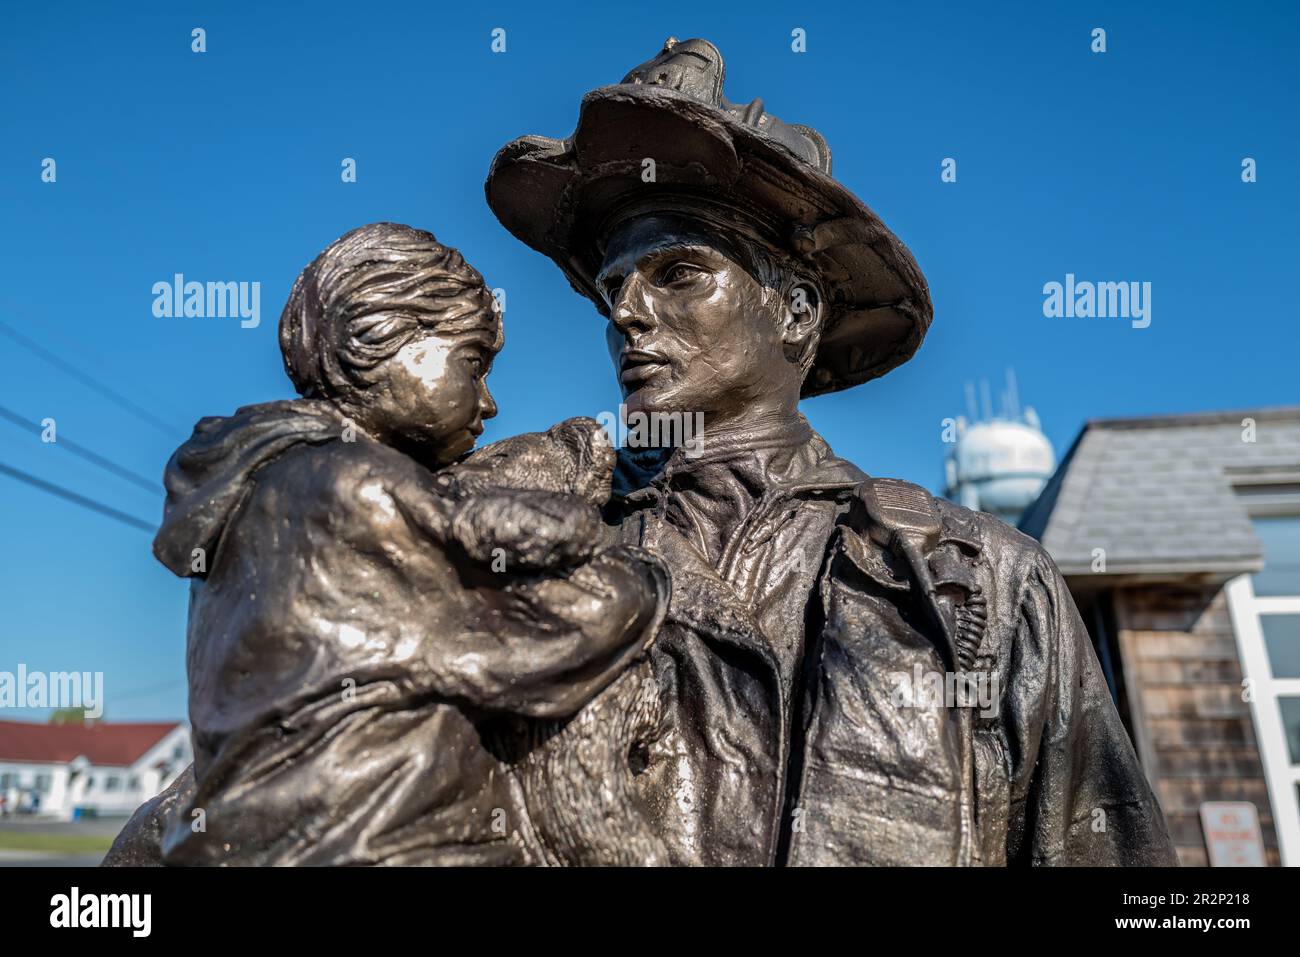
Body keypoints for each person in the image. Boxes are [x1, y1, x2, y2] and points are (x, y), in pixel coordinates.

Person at [485, 37, 1178, 865]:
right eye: (612, 289)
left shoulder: (983, 583)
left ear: (796, 312)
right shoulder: (537, 559)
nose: (627, 312)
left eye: (677, 273)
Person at [105, 222, 666, 865]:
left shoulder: (259, 486)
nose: (489, 404)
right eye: (473, 365)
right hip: (381, 843)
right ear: (378, 337)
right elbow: (549, 633)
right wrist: (637, 577)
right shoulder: (356, 485)